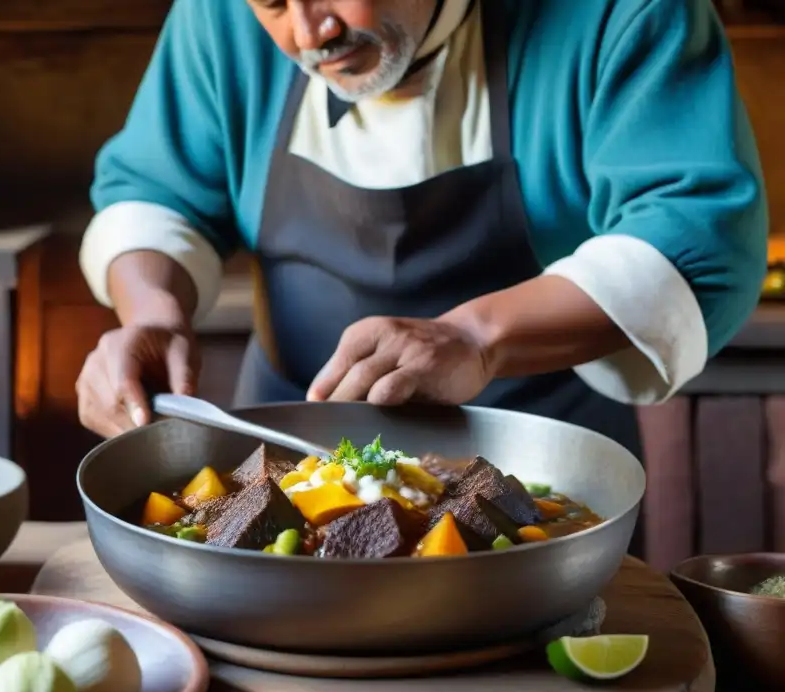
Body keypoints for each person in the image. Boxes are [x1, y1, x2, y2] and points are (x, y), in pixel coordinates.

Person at [75, 0, 768, 459]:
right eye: (275, 6)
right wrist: (154, 314)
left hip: (539, 463)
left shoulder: (617, 12)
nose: (311, 34)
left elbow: (698, 232)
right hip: (283, 454)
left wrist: (476, 339)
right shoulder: (220, 15)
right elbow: (157, 190)